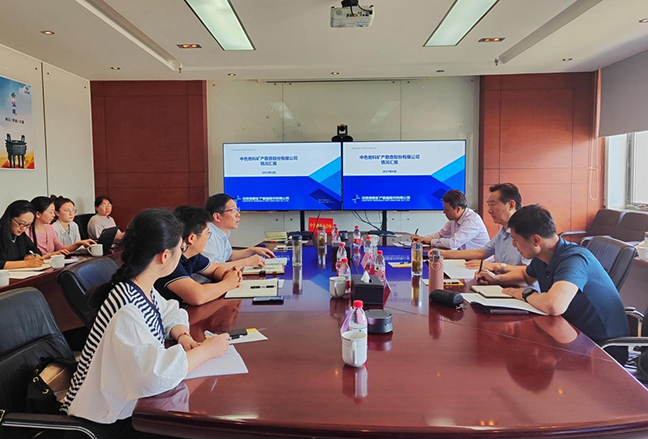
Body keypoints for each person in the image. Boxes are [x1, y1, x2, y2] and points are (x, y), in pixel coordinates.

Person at [61, 209, 230, 436]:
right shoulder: (127, 307)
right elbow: (155, 376)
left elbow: (169, 310)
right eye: (180, 249)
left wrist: (183, 335)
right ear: (165, 256)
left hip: (128, 404)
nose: (182, 254)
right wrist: (206, 351)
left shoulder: (138, 286)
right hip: (105, 421)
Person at [475, 204, 629, 363]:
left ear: (536, 240)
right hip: (572, 336)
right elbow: (526, 276)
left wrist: (525, 294)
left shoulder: (573, 259)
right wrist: (496, 279)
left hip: (602, 350)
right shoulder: (544, 255)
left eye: (516, 240)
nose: (514, 245)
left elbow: (554, 305)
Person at [154, 206, 242, 306]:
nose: (208, 238)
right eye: (207, 233)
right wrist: (228, 283)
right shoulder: (170, 260)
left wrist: (228, 274)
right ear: (192, 238)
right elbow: (198, 296)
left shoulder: (192, 256)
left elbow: (215, 269)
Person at [437, 183, 529, 275]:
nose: (489, 210)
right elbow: (481, 253)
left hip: (514, 284)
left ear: (511, 205)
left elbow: (529, 271)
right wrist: (444, 253)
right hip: (500, 280)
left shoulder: (526, 232)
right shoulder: (502, 231)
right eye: (489, 205)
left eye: (492, 204)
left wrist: (494, 267)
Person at [202, 194, 275, 267]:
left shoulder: (221, 232)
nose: (238, 214)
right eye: (233, 210)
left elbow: (229, 255)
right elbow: (213, 268)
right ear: (217, 217)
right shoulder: (208, 236)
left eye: (237, 210)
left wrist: (253, 250)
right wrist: (247, 262)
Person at [411, 189, 489, 250]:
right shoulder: (454, 219)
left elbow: (453, 243)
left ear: (458, 209)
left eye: (447, 209)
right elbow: (440, 234)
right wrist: (423, 238)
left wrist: (431, 241)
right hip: (465, 259)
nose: (444, 212)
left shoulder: (472, 221)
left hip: (481, 262)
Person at [27, 196, 94, 255]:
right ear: (38, 214)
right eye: (50, 212)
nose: (53, 215)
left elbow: (61, 248)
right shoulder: (27, 232)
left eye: (53, 212)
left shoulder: (49, 228)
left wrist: (80, 243)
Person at [0, 200, 44, 270]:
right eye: (22, 223)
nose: (23, 228)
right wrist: (26, 264)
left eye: (28, 225)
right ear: (10, 217)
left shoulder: (21, 235)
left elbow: (34, 249)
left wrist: (31, 256)